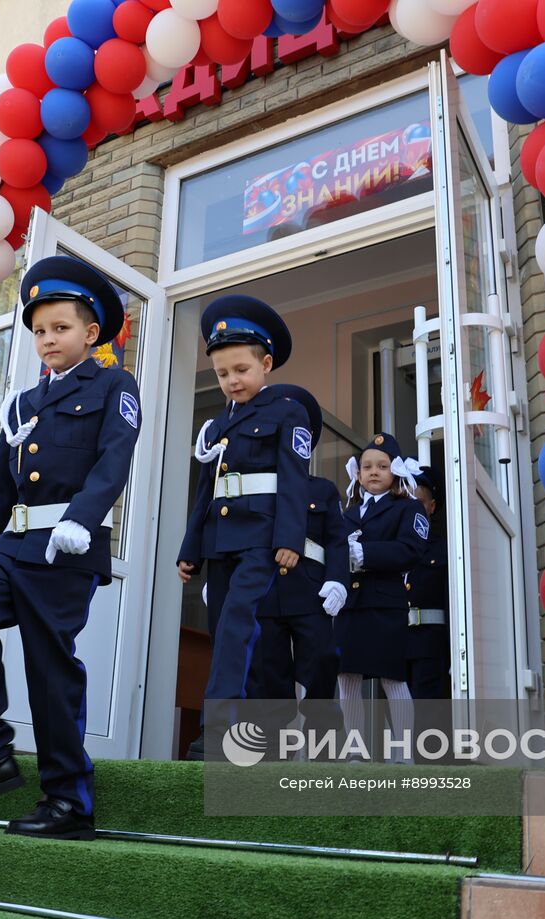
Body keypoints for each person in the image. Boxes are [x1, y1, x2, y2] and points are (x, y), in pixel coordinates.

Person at [0, 256, 140, 841]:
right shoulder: (21, 403)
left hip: (67, 547)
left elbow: (114, 459)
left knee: (49, 668)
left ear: (91, 334)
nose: (47, 339)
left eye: (61, 328)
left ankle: (69, 799)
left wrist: (85, 518)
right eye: (39, 330)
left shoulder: (114, 385)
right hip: (13, 545)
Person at [177, 296, 310, 758]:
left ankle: (217, 729)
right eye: (222, 373)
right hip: (220, 541)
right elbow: (205, 490)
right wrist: (190, 548)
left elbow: (296, 478)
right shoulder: (214, 426)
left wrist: (290, 538)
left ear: (266, 363)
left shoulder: (287, 411)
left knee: (237, 625)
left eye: (241, 369)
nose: (232, 380)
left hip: (261, 537)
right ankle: (249, 734)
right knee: (225, 632)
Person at [248, 384, 347, 750]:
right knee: (267, 676)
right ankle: (271, 756)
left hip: (310, 591)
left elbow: (337, 540)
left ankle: (326, 752)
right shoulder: (254, 486)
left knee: (322, 664)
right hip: (265, 592)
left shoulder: (321, 490)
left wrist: (337, 580)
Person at [334, 432, 427, 761]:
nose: (373, 472)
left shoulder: (409, 508)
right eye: (366, 466)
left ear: (396, 471)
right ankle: (355, 752)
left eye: (382, 466)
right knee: (347, 676)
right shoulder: (346, 513)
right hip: (350, 605)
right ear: (357, 473)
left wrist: (365, 554)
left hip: (385, 602)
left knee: (392, 676)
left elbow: (410, 550)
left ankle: (403, 754)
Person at [406, 465, 452, 700]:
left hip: (430, 644)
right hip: (394, 643)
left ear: (431, 507)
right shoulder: (388, 545)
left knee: (427, 723)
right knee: (396, 726)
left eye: (419, 503)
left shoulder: (446, 547)